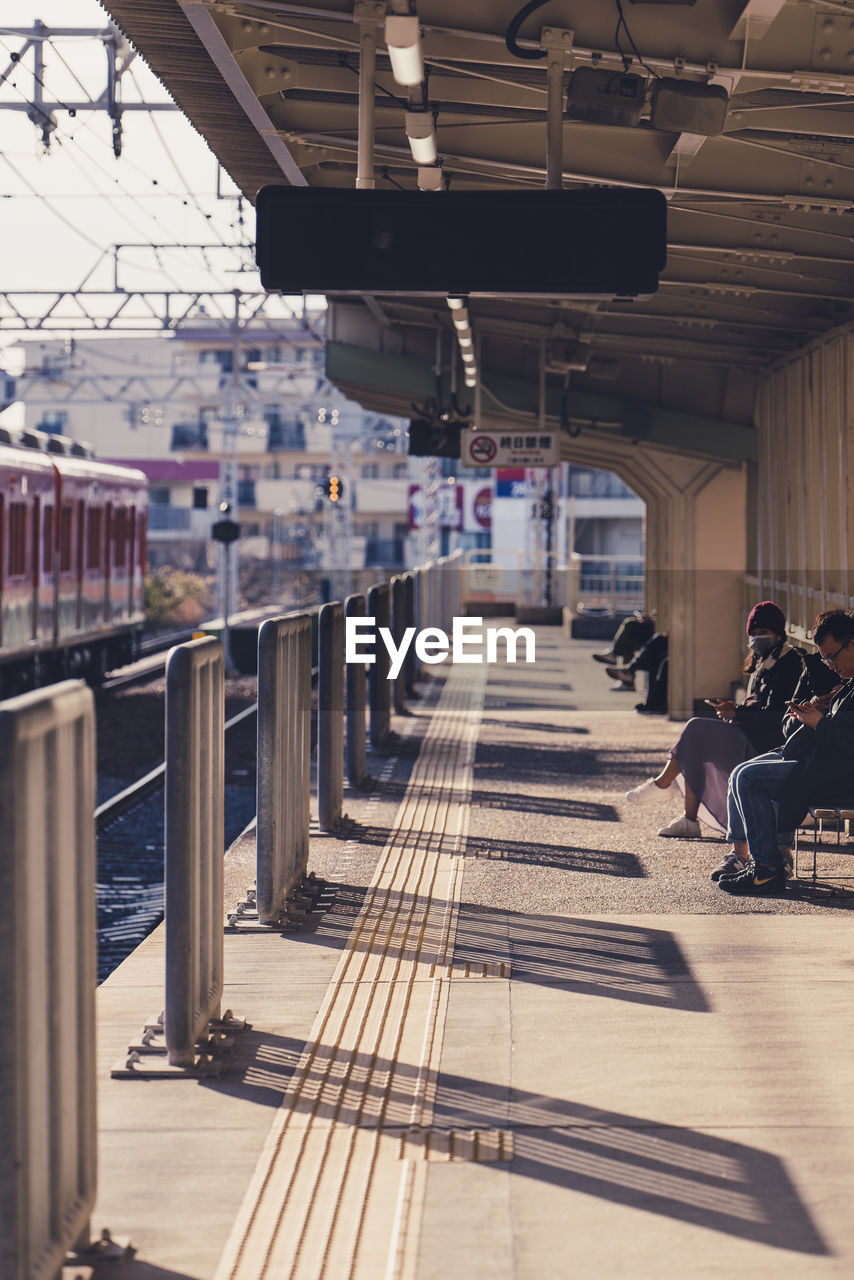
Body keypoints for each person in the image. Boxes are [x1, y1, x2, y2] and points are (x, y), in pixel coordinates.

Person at [624, 602, 803, 837]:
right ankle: (687, 817)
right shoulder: (764, 659)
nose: (758, 638)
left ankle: (663, 785)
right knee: (696, 742)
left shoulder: (788, 662)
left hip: (764, 742)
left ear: (779, 633)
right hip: (750, 733)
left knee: (696, 729)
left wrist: (737, 714)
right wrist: (735, 709)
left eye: (764, 633)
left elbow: (776, 715)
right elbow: (758, 704)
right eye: (755, 634)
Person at [717, 609, 854, 895]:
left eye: (832, 656)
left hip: (837, 773)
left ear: (851, 644)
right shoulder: (848, 683)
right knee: (742, 771)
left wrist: (820, 723)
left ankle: (767, 869)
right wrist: (820, 710)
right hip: (827, 764)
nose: (829, 665)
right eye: (824, 658)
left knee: (750, 779)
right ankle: (763, 864)